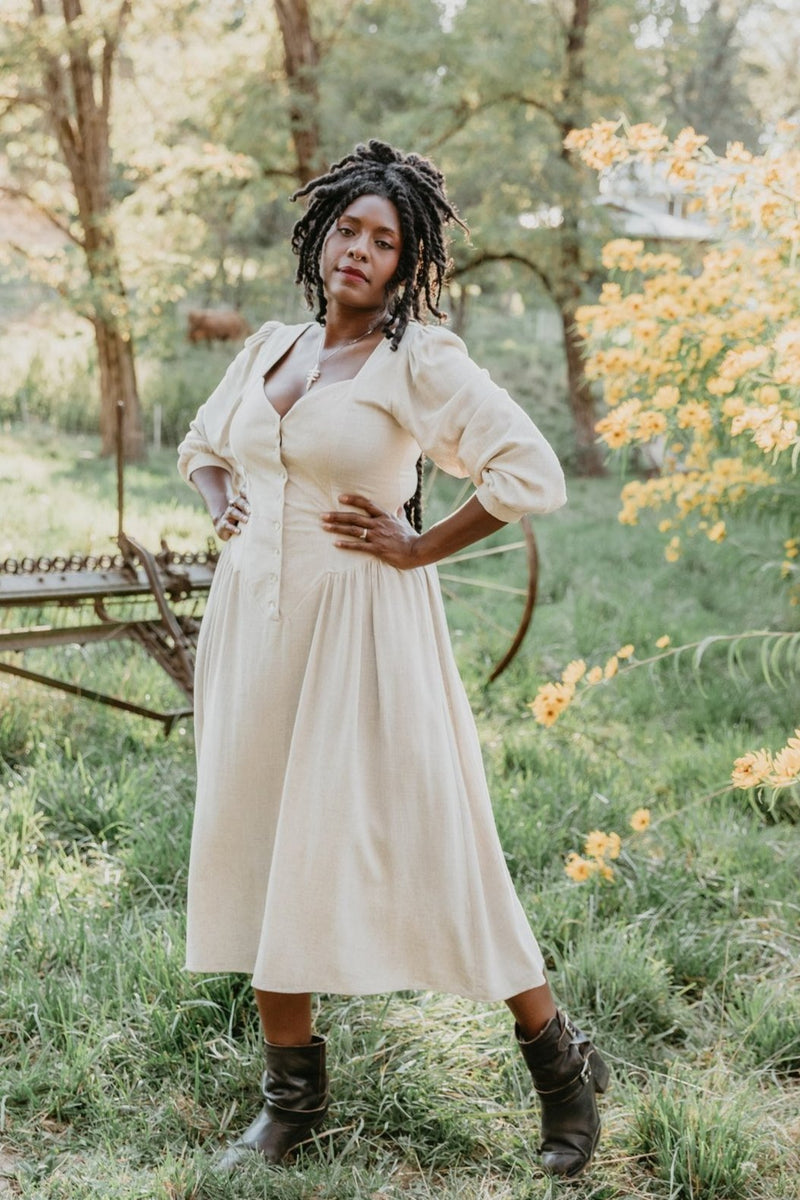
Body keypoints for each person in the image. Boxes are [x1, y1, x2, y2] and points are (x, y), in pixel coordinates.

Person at [177, 139, 608, 1180]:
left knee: (436, 835)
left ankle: (562, 1070)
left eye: (384, 239)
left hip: (364, 634)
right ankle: (291, 1101)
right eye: (347, 230)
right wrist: (224, 496)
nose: (358, 250)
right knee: (256, 840)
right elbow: (201, 444)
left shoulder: (415, 359)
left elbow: (527, 471)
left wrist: (419, 543)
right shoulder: (270, 347)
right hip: (255, 627)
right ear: (319, 237)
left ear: (406, 262)